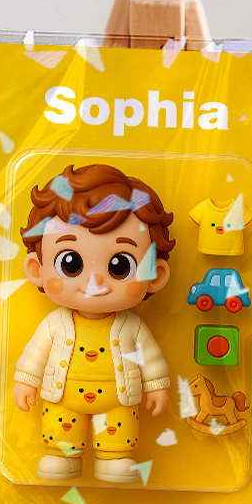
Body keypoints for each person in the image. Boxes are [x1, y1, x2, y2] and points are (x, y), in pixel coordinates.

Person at [14, 163, 174, 483]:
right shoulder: (55, 324)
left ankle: (115, 458)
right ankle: (62, 456)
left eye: (120, 266)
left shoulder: (132, 327)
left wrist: (157, 386)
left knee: (118, 429)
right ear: (36, 269)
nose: (95, 283)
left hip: (118, 400)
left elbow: (150, 358)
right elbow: (35, 353)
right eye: (71, 263)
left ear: (155, 275)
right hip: (63, 398)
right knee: (61, 425)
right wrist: (26, 380)